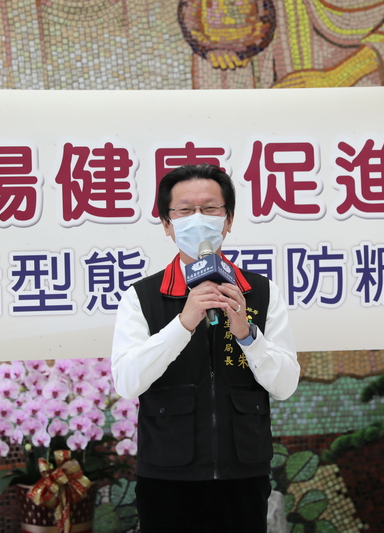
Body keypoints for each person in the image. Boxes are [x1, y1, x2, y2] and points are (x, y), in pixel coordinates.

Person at [111, 164, 300, 532]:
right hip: (167, 477)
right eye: (184, 210)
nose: (198, 219)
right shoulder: (141, 297)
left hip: (243, 476)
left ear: (228, 220)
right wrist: (183, 324)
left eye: (210, 208)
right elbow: (127, 381)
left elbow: (285, 385)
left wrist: (247, 335)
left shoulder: (261, 292)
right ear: (167, 224)